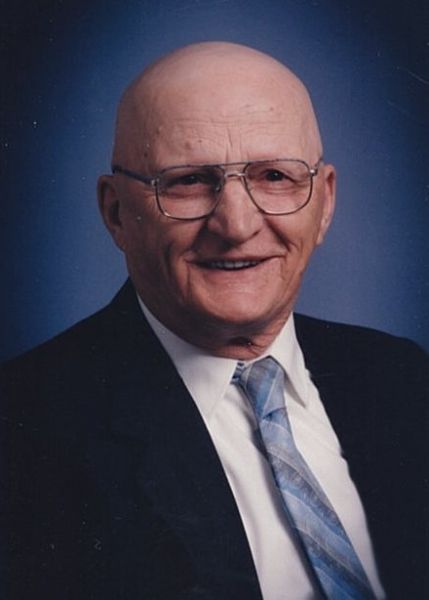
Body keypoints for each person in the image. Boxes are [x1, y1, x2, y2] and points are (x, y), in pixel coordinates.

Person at [1, 42, 427, 600]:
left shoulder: (402, 377)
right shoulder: (23, 431)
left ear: (324, 203)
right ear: (116, 212)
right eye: (188, 181)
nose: (236, 224)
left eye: (274, 175)